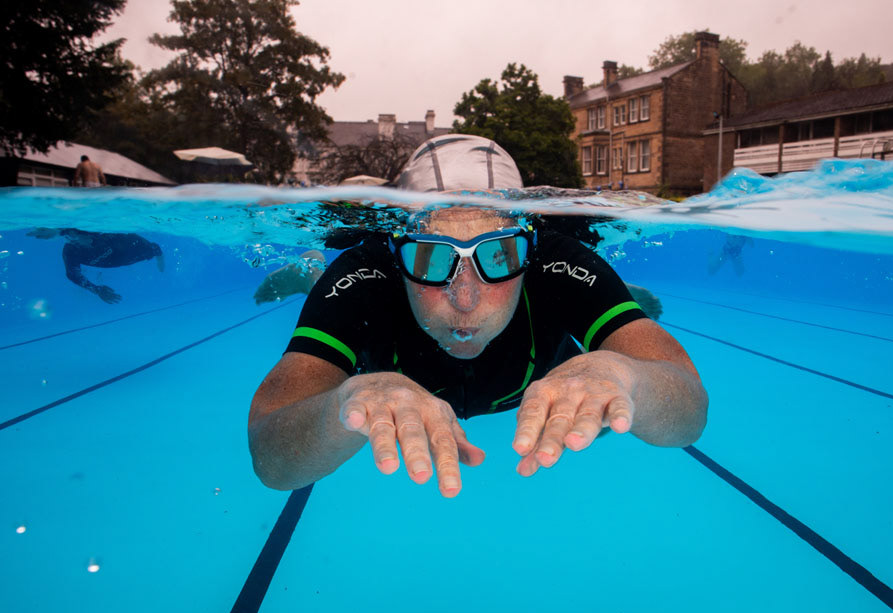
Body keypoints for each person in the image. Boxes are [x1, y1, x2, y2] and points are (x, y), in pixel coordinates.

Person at [248, 135, 707, 497]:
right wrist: (342, 404)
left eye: (498, 256)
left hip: (554, 351)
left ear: (526, 246)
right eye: (431, 258)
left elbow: (689, 414)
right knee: (334, 292)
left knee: (601, 405)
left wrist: (627, 377)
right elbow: (271, 461)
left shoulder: (556, 264)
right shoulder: (367, 275)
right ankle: (310, 273)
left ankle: (613, 299)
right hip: (376, 329)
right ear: (397, 251)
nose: (465, 298)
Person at [27, 228, 164, 303]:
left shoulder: (104, 234)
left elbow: (151, 246)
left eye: (75, 237)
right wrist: (96, 290)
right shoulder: (71, 251)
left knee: (154, 249)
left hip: (126, 252)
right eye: (69, 238)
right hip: (116, 259)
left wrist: (160, 261)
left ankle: (160, 260)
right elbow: (73, 275)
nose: (72, 241)